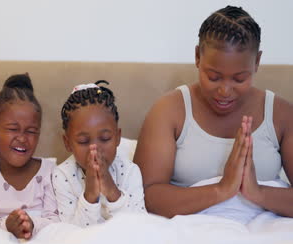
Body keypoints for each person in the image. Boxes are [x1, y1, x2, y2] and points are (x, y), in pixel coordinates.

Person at [134, 6, 293, 219]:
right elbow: (146, 196)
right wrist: (222, 189)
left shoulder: (281, 114)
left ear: (257, 62)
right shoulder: (169, 111)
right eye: (213, 77)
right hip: (188, 236)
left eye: (239, 79)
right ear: (198, 56)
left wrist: (258, 192)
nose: (225, 91)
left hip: (265, 236)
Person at [0, 74, 58, 240]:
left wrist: (32, 224)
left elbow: (58, 223)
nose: (22, 138)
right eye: (13, 129)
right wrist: (6, 225)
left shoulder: (51, 172)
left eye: (31, 131)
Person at [52, 81, 146, 228]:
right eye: (83, 141)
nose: (94, 149)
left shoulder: (130, 171)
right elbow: (70, 234)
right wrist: (90, 195)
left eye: (105, 139)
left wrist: (112, 191)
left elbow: (140, 227)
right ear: (67, 142)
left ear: (118, 137)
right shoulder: (63, 175)